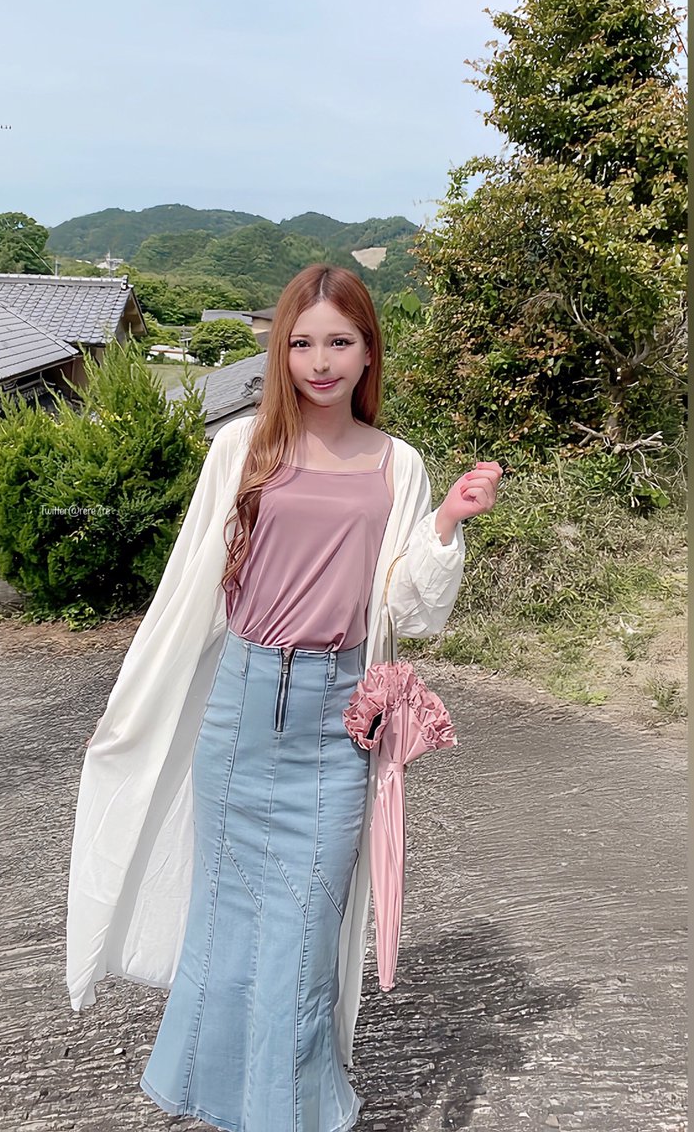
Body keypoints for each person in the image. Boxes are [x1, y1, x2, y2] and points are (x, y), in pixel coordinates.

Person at [65, 263, 502, 1132]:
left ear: (369, 351)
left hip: (336, 724)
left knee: (304, 937)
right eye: (301, 343)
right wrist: (137, 705)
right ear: (281, 352)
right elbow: (190, 586)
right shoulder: (242, 446)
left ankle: (291, 1111)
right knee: (225, 924)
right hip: (239, 712)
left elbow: (409, 608)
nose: (320, 361)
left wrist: (447, 521)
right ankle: (212, 1093)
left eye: (340, 341)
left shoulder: (398, 463)